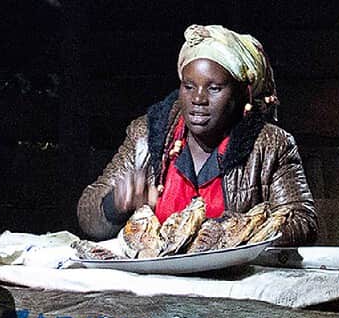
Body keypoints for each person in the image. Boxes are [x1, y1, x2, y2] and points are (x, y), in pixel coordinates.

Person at [77, 23, 317, 246]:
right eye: (188, 86)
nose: (198, 99)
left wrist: (235, 231)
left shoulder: (269, 145)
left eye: (214, 88)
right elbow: (88, 215)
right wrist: (115, 205)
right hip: (156, 281)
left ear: (243, 93)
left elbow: (302, 221)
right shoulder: (148, 136)